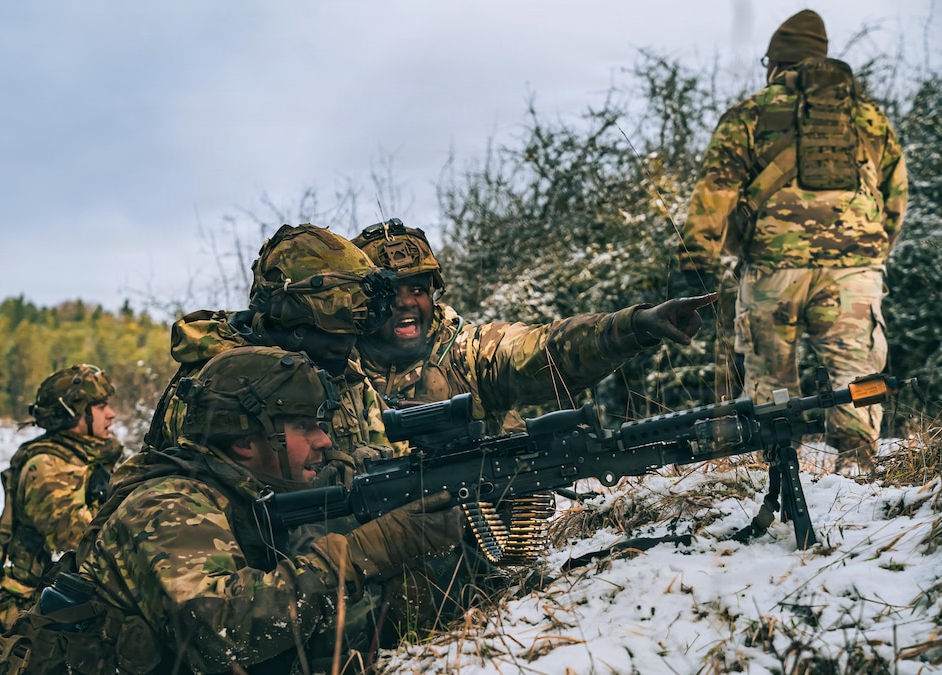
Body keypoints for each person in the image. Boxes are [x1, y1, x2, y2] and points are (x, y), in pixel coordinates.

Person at [0, 346, 463, 675]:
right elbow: (223, 629)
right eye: (304, 427)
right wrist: (370, 549)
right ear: (243, 442)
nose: (323, 441)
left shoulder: (243, 488)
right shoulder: (169, 504)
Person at [351, 218, 717, 562]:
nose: (404, 303)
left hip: (488, 554)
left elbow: (545, 348)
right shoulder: (336, 372)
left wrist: (635, 326)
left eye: (417, 289)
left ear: (434, 292)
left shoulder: (471, 351)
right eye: (389, 291)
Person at [677, 9, 908, 475]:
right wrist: (870, 254)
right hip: (854, 268)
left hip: (772, 269)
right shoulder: (869, 118)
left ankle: (778, 468)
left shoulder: (750, 114)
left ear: (776, 62)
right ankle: (858, 471)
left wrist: (695, 257)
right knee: (856, 370)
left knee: (771, 373)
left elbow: (714, 192)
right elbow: (895, 196)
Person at [145, 222, 399, 484]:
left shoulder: (343, 372)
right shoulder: (221, 384)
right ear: (286, 315)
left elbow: (384, 442)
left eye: (354, 327)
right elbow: (228, 498)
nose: (345, 344)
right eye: (332, 326)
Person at [0, 364, 122, 674]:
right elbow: (79, 541)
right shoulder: (46, 467)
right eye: (101, 407)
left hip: (62, 609)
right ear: (73, 414)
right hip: (29, 615)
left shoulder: (86, 458)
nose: (111, 414)